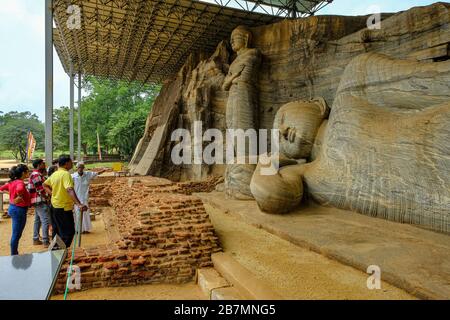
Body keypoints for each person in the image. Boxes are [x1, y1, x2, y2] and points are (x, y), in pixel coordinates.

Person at [43, 155, 88, 248]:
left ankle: (55, 250)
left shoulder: (55, 174)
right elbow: (70, 189)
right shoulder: (65, 174)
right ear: (66, 163)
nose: (72, 164)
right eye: (71, 162)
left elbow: (45, 185)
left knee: (58, 232)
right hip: (63, 208)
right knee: (68, 233)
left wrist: (53, 194)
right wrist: (79, 204)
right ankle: (61, 251)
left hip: (55, 206)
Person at [0, 165, 31, 255]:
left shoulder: (12, 182)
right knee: (16, 234)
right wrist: (19, 195)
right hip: (19, 210)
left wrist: (10, 194)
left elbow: (1, 189)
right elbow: (20, 189)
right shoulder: (20, 183)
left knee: (16, 233)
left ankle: (14, 253)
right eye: (27, 171)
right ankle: (14, 254)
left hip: (13, 208)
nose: (28, 173)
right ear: (23, 173)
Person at [72, 163, 106, 234]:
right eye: (79, 167)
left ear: (84, 168)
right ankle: (79, 230)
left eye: (82, 167)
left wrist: (104, 170)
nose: (80, 169)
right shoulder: (73, 176)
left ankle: (86, 229)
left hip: (84, 198)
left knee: (86, 214)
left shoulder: (87, 174)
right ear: (76, 168)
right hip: (77, 199)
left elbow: (97, 173)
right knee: (78, 214)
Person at [28, 159, 52, 246]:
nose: (44, 165)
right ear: (38, 165)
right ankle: (46, 241)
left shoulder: (36, 174)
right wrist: (47, 197)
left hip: (37, 200)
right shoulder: (36, 175)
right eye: (43, 164)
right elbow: (40, 189)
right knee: (45, 220)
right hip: (40, 200)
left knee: (38, 220)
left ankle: (35, 239)